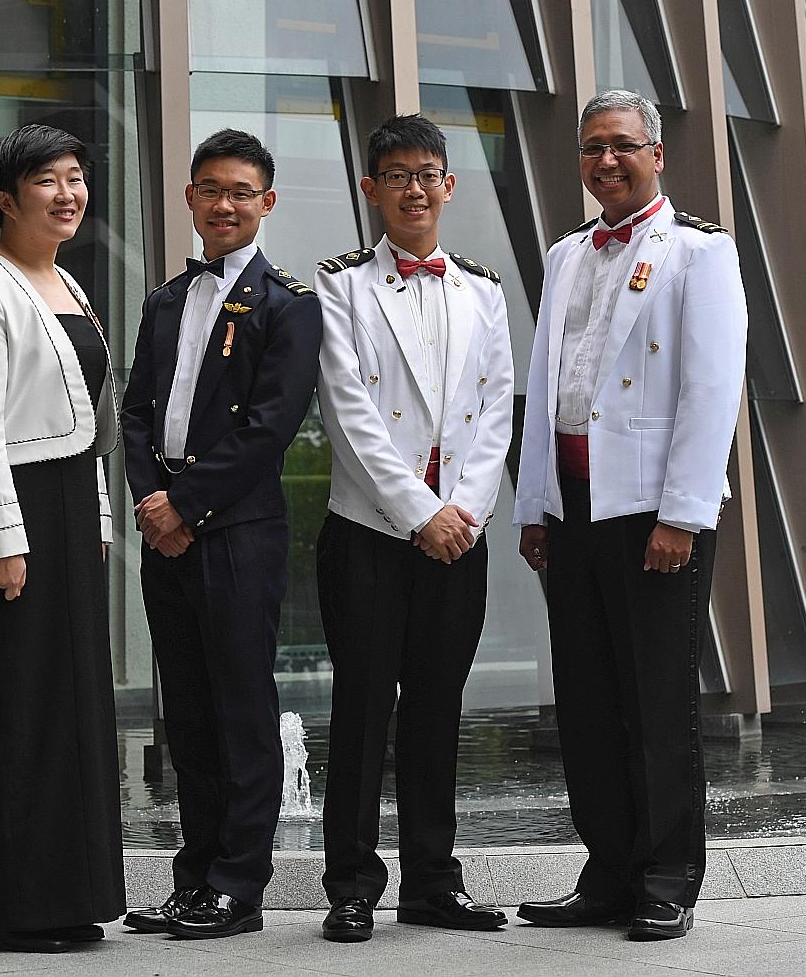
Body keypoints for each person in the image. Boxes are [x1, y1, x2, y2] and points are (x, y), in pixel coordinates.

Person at [512, 90, 747, 941]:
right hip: (574, 507)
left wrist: (683, 514)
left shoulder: (698, 253)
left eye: (621, 146)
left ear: (657, 154)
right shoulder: (565, 253)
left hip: (654, 509)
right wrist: (534, 504)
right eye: (591, 149)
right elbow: (545, 392)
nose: (605, 162)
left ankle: (670, 872)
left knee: (656, 699)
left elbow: (712, 391)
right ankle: (608, 868)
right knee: (585, 695)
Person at [311, 114, 515, 942]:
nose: (414, 189)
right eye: (396, 174)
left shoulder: (484, 289)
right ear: (371, 189)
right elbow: (350, 417)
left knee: (439, 707)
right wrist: (421, 511)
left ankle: (433, 880)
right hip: (370, 530)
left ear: (449, 184)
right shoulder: (340, 287)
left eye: (428, 173)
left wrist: (463, 510)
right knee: (362, 708)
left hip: (459, 533)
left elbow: (498, 409)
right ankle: (352, 883)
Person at [119, 129, 322, 940]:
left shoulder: (290, 304)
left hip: (236, 534)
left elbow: (270, 430)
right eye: (210, 189)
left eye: (241, 191)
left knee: (240, 712)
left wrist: (184, 506)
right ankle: (193, 878)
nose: (225, 204)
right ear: (191, 198)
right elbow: (135, 411)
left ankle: (239, 885)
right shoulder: (165, 298)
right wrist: (150, 501)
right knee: (190, 718)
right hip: (165, 531)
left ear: (266, 203)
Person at [0, 124, 125, 953]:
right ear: (6, 199)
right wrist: (0, 539)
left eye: (76, 177)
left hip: (68, 510)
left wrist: (100, 521)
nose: (68, 193)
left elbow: (84, 423)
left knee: (74, 707)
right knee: (15, 709)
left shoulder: (70, 286)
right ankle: (12, 907)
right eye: (46, 180)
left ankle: (70, 895)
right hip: (7, 511)